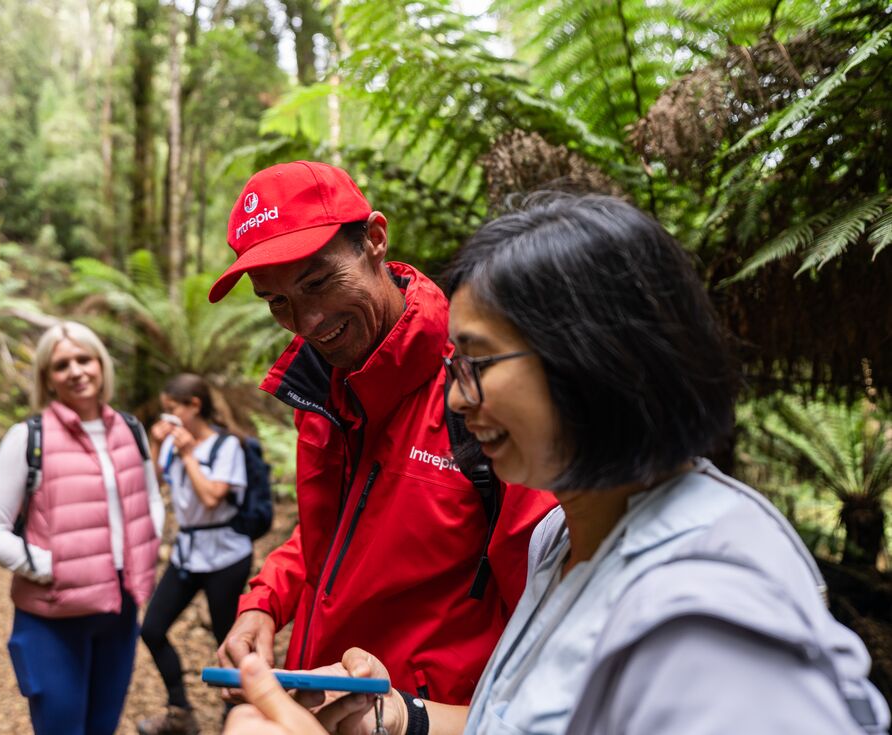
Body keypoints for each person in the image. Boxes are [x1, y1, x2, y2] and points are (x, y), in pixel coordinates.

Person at [219, 192, 891, 735]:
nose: (455, 396)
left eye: (476, 363)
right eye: (454, 364)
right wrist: (399, 716)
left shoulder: (708, 612)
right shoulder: (561, 541)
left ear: (596, 359)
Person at [210, 160, 557, 704]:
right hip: (322, 704)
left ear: (374, 238)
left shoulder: (482, 392)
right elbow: (335, 532)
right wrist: (264, 601)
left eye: (318, 283)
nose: (307, 324)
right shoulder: (323, 387)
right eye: (278, 302)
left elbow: (550, 601)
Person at [0, 321, 165, 735]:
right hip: (52, 618)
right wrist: (53, 567)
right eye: (62, 365)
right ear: (47, 378)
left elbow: (149, 500)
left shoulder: (131, 429)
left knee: (102, 726)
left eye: (84, 359)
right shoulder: (27, 437)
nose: (76, 371)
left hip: (120, 608)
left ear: (101, 365)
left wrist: (145, 549)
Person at [138, 373, 253, 735]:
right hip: (187, 555)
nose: (167, 419)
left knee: (228, 641)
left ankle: (237, 713)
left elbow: (210, 496)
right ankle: (180, 711)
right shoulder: (173, 443)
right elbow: (151, 485)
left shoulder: (227, 447)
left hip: (225, 557)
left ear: (194, 407)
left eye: (172, 411)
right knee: (152, 629)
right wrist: (158, 447)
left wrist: (188, 452)